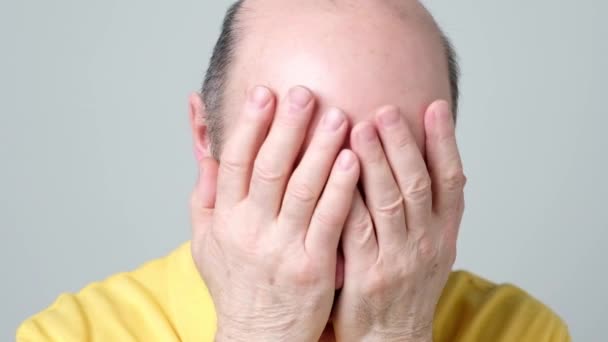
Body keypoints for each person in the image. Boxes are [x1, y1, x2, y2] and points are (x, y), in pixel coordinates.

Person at [17, 0, 571, 341]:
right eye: (296, 166)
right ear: (207, 137)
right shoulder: (74, 336)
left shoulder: (521, 333)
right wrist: (261, 333)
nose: (338, 222)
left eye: (392, 167)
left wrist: (392, 335)